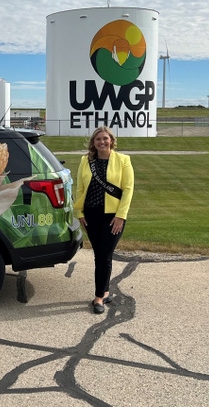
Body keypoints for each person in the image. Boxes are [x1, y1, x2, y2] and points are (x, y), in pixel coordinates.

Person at [73, 126, 134, 314]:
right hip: (91, 215)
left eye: (105, 139)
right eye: (98, 139)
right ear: (93, 142)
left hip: (112, 216)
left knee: (104, 255)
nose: (102, 142)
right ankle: (105, 290)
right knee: (99, 255)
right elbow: (81, 188)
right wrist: (79, 213)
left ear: (111, 141)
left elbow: (128, 190)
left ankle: (99, 297)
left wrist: (120, 216)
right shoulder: (86, 161)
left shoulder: (123, 160)